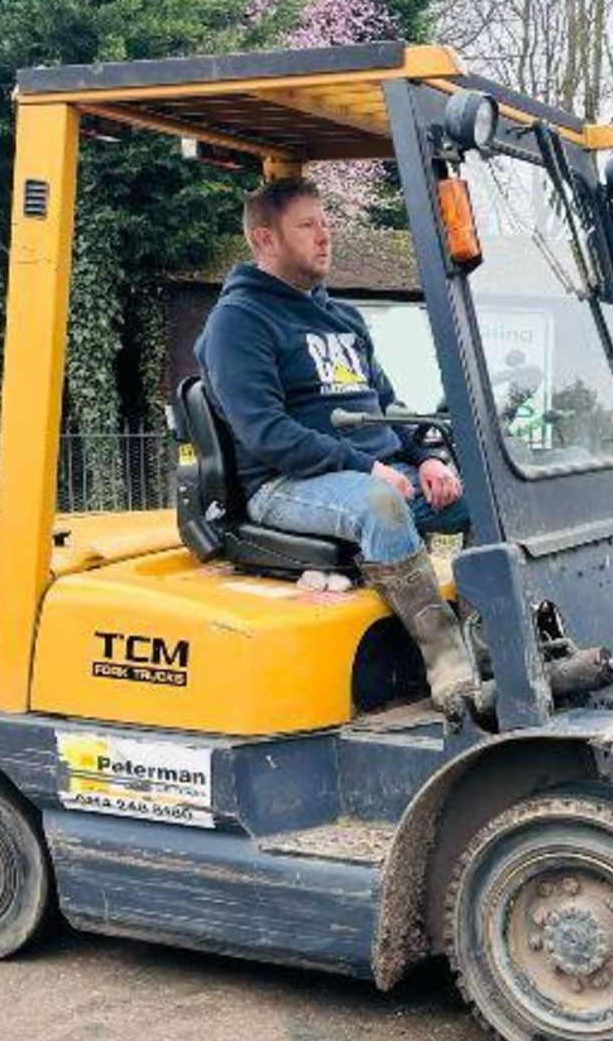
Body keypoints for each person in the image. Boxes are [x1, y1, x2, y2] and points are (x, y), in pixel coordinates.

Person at [195, 177, 474, 709]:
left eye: (326, 224)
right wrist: (367, 467)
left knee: (486, 495)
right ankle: (445, 658)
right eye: (307, 226)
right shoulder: (239, 321)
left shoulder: (341, 318)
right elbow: (265, 433)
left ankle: (487, 635)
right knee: (381, 504)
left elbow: (386, 405)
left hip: (375, 471)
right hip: (285, 483)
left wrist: (428, 457)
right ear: (265, 240)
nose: (325, 237)